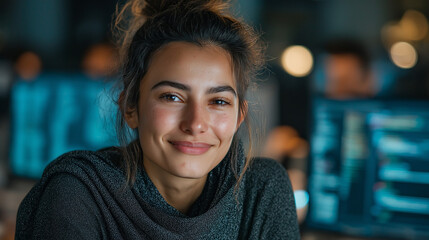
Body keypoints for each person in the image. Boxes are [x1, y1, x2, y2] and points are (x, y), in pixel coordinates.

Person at [15, 0, 299, 239]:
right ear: (130, 107)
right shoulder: (79, 193)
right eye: (172, 97)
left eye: (218, 101)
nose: (196, 123)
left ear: (239, 117)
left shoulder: (262, 189)